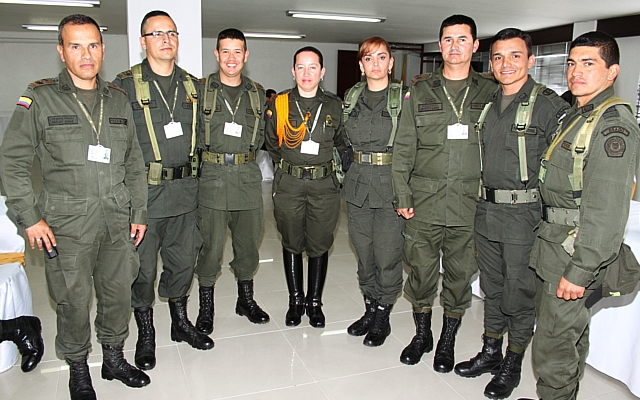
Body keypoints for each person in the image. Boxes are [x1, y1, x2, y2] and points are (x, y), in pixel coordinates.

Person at [0, 14, 150, 399]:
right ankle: (78, 367)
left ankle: (113, 358)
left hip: (117, 220)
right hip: (66, 225)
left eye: (93, 45)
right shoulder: (40, 98)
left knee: (117, 293)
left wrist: (139, 211)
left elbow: (134, 161)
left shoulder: (118, 99)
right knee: (72, 299)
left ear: (103, 49)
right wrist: (30, 218)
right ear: (61, 51)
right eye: (76, 46)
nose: (86, 55)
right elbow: (12, 161)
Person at [452, 28, 568, 399]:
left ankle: (513, 361)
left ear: (531, 60)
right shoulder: (490, 102)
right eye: (498, 57)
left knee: (519, 291)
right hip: (486, 212)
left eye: (515, 56)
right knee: (492, 287)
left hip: (523, 217)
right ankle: (491, 351)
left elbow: (564, 169)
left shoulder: (548, 105)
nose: (506, 64)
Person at [528, 31, 640, 400]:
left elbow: (606, 209)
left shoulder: (612, 126)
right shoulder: (578, 115)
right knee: (566, 336)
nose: (576, 71)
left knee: (552, 347)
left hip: (573, 254)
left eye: (588, 63)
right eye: (572, 63)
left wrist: (580, 270)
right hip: (555, 245)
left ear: (612, 72)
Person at [391, 14, 497, 371]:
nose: (455, 46)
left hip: (470, 203)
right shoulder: (420, 91)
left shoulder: (492, 91)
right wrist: (403, 196)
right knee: (420, 271)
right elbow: (403, 148)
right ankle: (422, 335)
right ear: (440, 45)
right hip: (424, 202)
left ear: (475, 45)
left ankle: (447, 340)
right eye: (448, 39)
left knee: (459, 274)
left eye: (462, 39)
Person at [113, 10, 213, 372]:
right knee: (141, 270)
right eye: (157, 34)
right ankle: (146, 332)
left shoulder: (193, 86)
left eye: (171, 33)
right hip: (145, 197)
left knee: (183, 262)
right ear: (143, 42)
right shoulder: (124, 86)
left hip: (186, 192)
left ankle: (180, 322)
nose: (166, 39)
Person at [195, 28, 269, 334]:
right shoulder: (200, 90)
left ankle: (245, 300)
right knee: (210, 247)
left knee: (248, 244)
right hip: (212, 178)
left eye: (237, 51)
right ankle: (206, 307)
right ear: (216, 54)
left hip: (247, 178)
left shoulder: (257, 93)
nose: (231, 58)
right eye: (225, 51)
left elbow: (263, 136)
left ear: (246, 55)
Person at [265, 46, 345, 328]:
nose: (306, 73)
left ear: (322, 72)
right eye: (301, 67)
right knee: (291, 241)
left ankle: (314, 302)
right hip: (290, 185)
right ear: (293, 71)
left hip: (324, 186)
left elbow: (341, 142)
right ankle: (295, 301)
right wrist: (292, 167)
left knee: (319, 243)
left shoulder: (334, 105)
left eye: (313, 67)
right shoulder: (280, 104)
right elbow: (272, 143)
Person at [342, 36, 405, 346]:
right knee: (364, 254)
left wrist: (408, 193)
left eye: (382, 57)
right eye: (369, 58)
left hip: (390, 185)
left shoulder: (404, 99)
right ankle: (369, 307)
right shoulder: (352, 97)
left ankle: (383, 314)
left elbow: (414, 148)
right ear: (361, 65)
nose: (375, 64)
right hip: (358, 186)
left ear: (391, 63)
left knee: (387, 255)